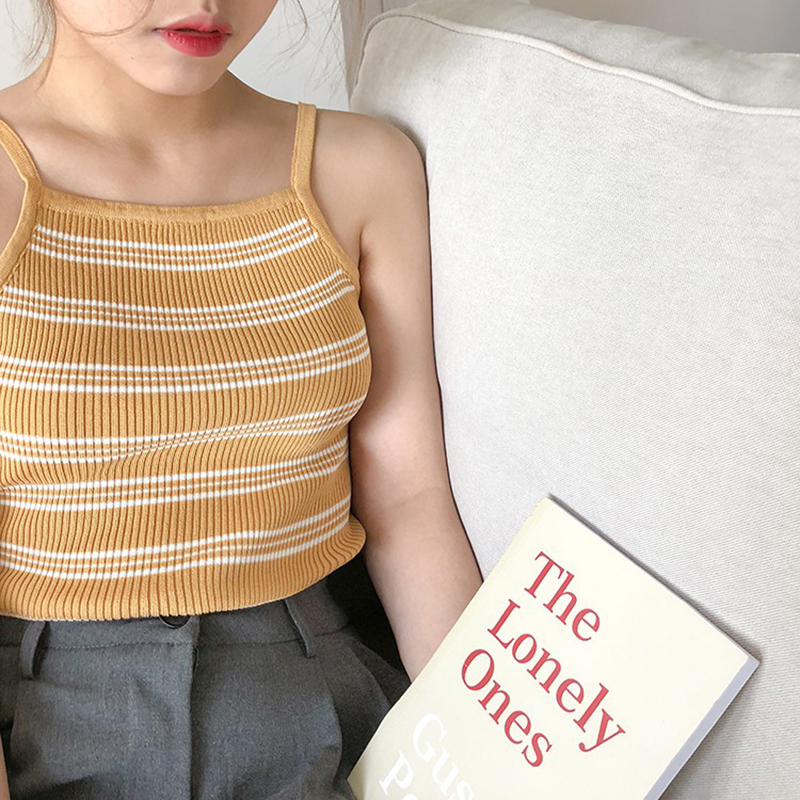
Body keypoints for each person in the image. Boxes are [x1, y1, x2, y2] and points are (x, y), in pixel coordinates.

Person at [0, 1, 483, 798]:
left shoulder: (360, 169)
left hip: (320, 690)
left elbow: (409, 502)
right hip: (45, 716)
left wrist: (478, 745)